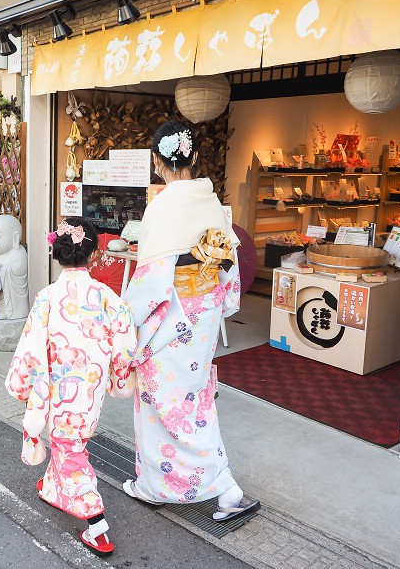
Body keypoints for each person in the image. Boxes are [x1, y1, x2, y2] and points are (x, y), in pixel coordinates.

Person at [121, 120, 260, 522]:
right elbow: (229, 269)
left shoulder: (162, 207)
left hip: (169, 321)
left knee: (159, 404)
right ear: (195, 156)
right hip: (200, 321)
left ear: (155, 160)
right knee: (193, 402)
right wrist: (217, 305)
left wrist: (126, 319)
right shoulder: (211, 203)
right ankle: (223, 489)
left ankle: (157, 485)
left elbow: (151, 282)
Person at [5, 217, 137, 557]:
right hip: (88, 392)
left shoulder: (47, 296)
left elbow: (30, 347)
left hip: (57, 390)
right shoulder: (108, 297)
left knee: (70, 448)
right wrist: (117, 378)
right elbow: (124, 344)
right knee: (70, 441)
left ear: (57, 254)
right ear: (92, 257)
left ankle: (96, 524)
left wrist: (22, 384)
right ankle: (52, 487)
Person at [0, 214, 30, 320]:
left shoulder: (19, 253)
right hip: (0, 295)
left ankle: (11, 313)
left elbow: (18, 270)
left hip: (14, 299)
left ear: (15, 238)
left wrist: (2, 270)